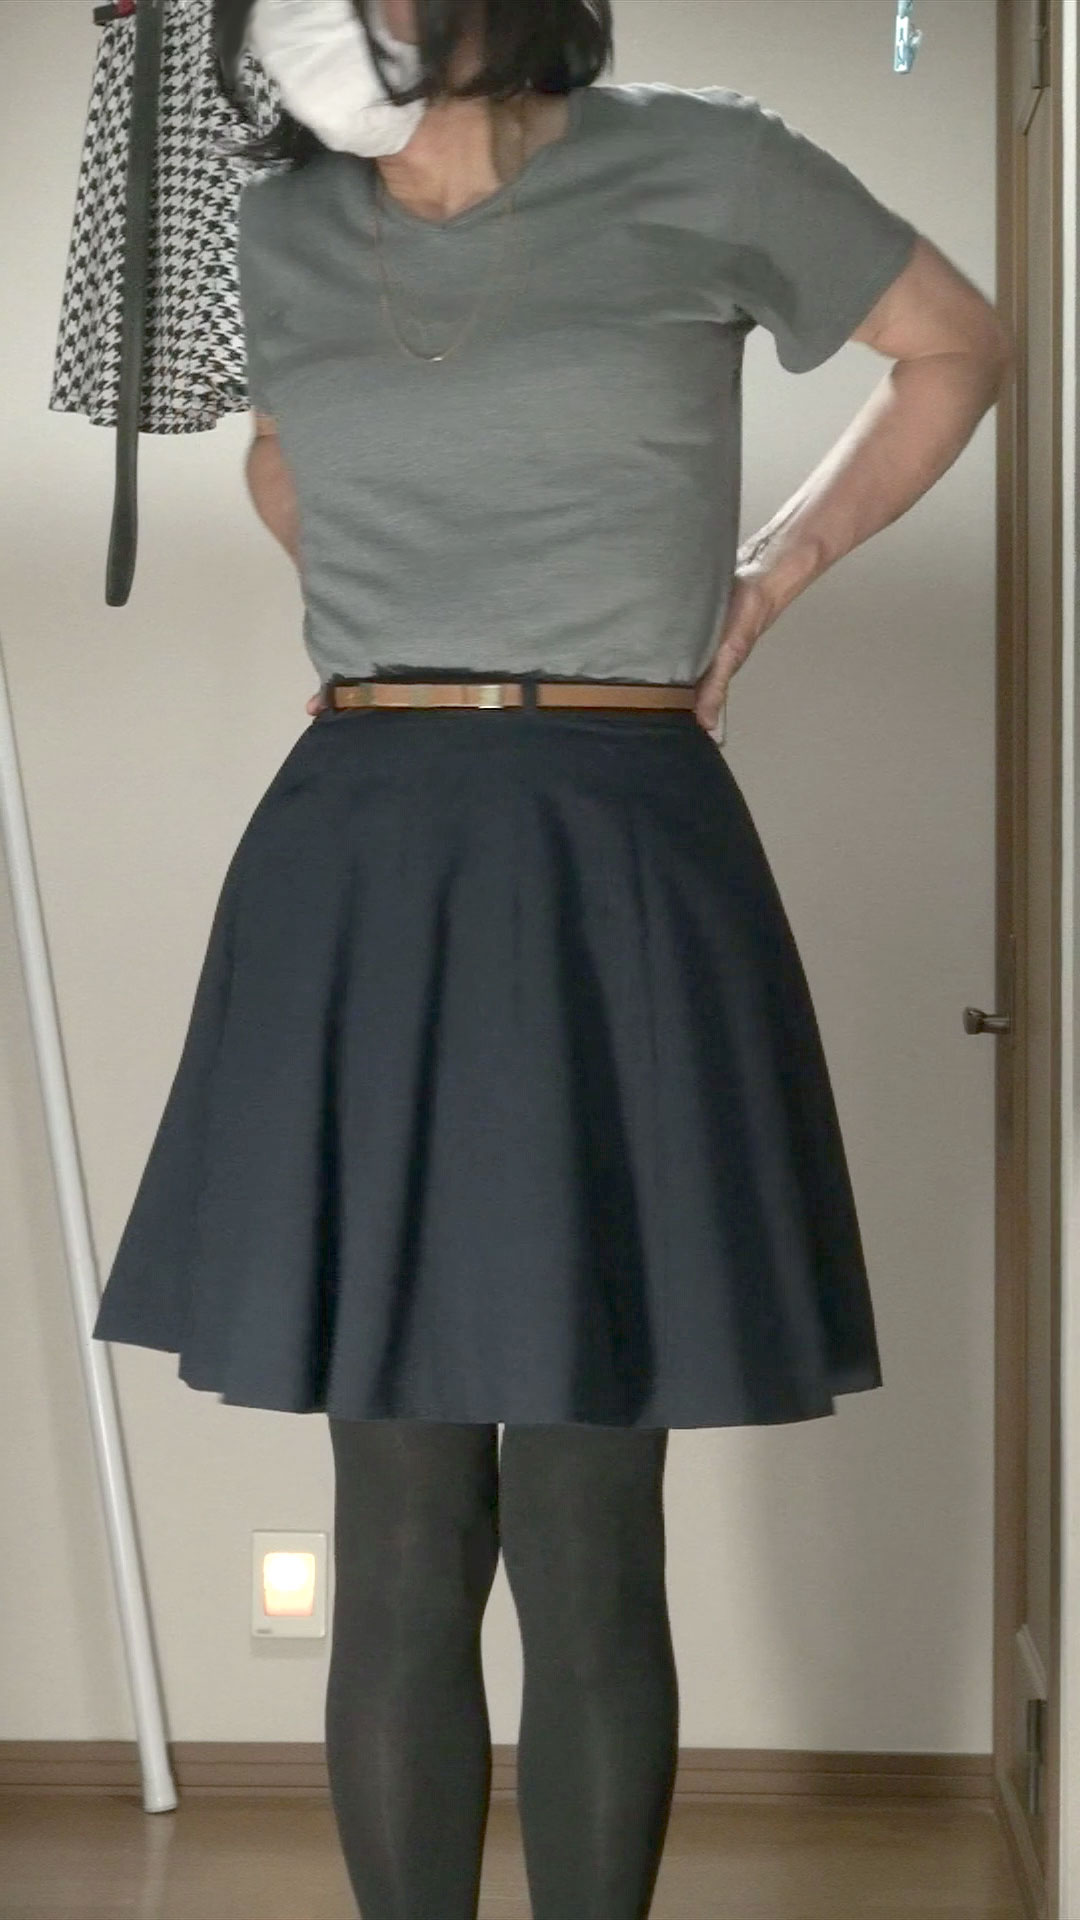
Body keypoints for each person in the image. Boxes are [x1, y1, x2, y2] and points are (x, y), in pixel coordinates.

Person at [91, 2, 1014, 1914]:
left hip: (620, 844)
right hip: (364, 851)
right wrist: (400, 587)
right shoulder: (278, 222)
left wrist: (768, 576)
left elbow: (957, 342)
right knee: (401, 1510)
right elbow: (283, 456)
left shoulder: (710, 161)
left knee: (593, 1520)